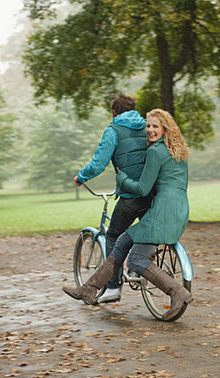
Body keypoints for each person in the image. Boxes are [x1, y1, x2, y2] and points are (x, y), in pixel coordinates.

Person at [64, 109, 192, 321]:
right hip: (178, 209)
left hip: (162, 211)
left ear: (165, 129)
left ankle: (177, 292)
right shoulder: (178, 151)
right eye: (148, 126)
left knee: (135, 259)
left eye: (155, 127)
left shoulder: (155, 152)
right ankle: (89, 289)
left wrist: (121, 178)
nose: (150, 130)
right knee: (123, 240)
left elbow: (142, 188)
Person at [73, 93, 153, 303]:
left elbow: (98, 163)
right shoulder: (149, 126)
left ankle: (112, 287)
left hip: (130, 194)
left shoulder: (113, 130)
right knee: (143, 231)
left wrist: (81, 177)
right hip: (153, 192)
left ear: (114, 112)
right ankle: (139, 269)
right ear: (134, 109)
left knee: (113, 236)